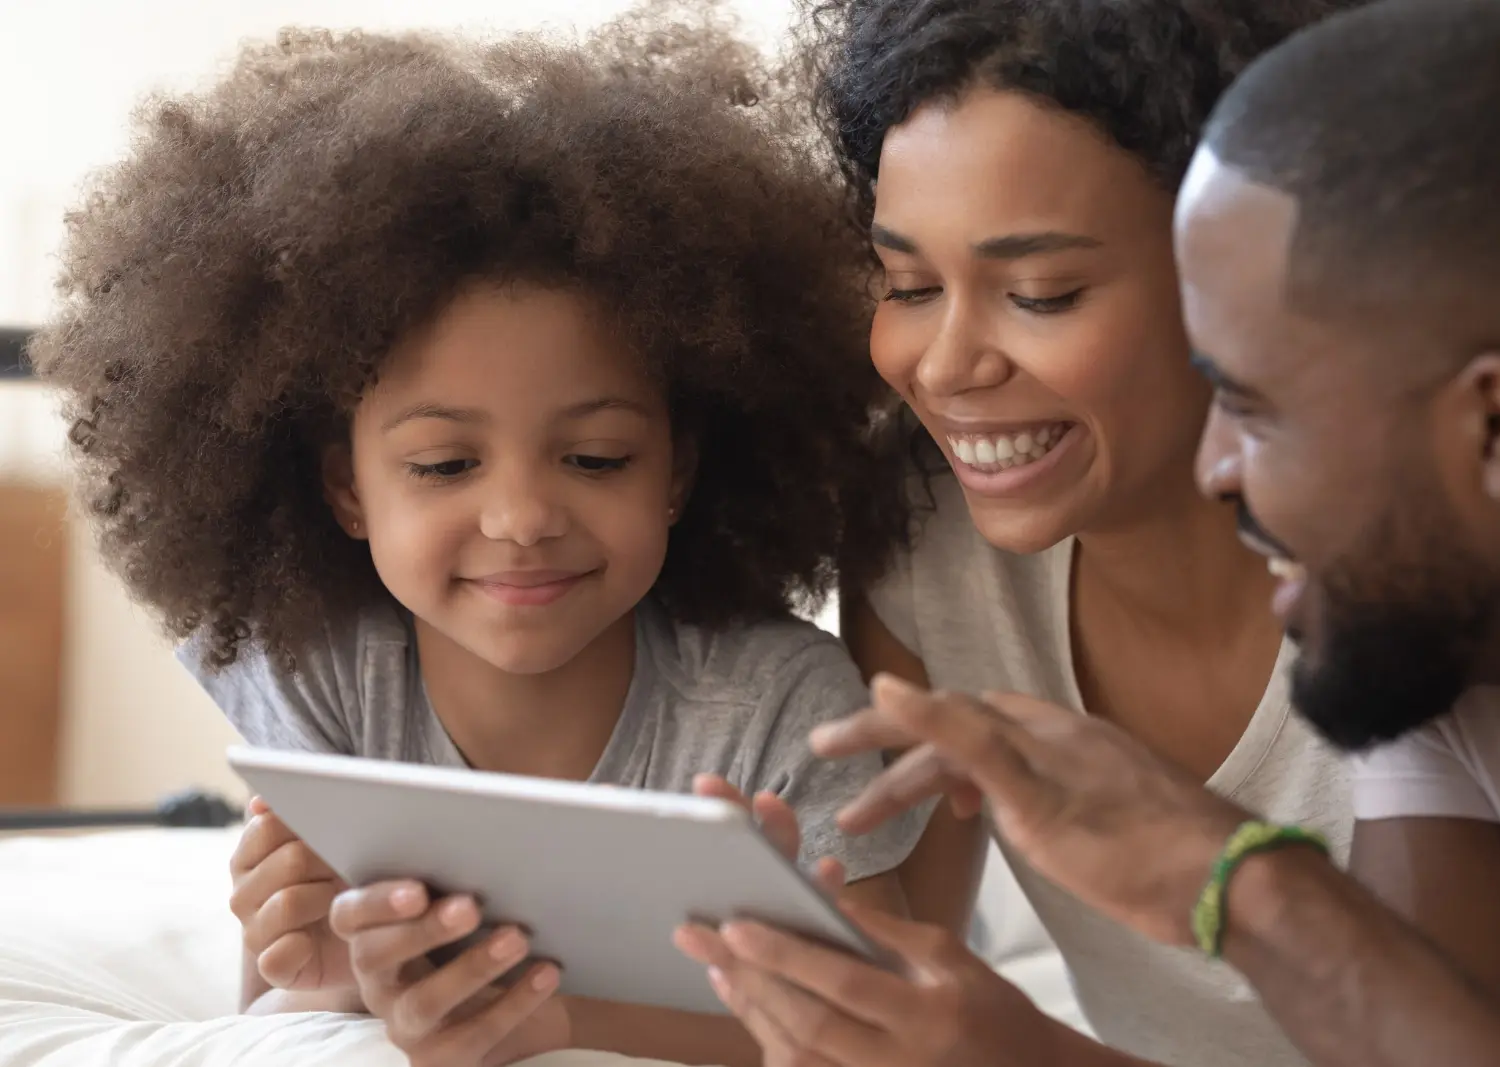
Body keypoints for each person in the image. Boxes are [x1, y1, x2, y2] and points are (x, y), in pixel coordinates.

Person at [691, 0, 1500, 1065]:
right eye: (909, 279)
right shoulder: (1435, 582)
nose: (1222, 470)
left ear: (1496, 423)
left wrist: (1240, 879)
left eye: (1251, 403)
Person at [27, 6, 925, 1065]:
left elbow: (895, 1027)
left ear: (680, 468)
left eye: (595, 458)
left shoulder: (787, 718)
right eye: (445, 465)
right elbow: (283, 1021)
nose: (522, 518)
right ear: (344, 486)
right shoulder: (319, 676)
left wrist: (552, 1020)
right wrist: (314, 978)